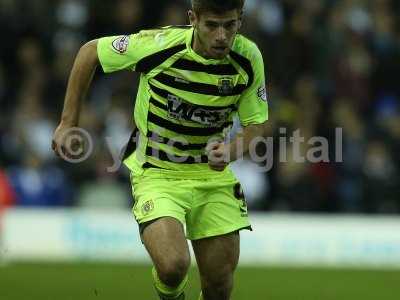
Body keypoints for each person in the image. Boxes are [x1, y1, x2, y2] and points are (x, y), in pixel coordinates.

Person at [52, 0, 268, 299]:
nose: (221, 36)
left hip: (211, 177)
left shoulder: (248, 57)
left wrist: (232, 150)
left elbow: (256, 126)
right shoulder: (158, 45)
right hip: (157, 172)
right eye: (211, 25)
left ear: (240, 21)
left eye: (229, 26)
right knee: (173, 265)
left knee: (219, 284)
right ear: (193, 19)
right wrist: (67, 122)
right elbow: (90, 52)